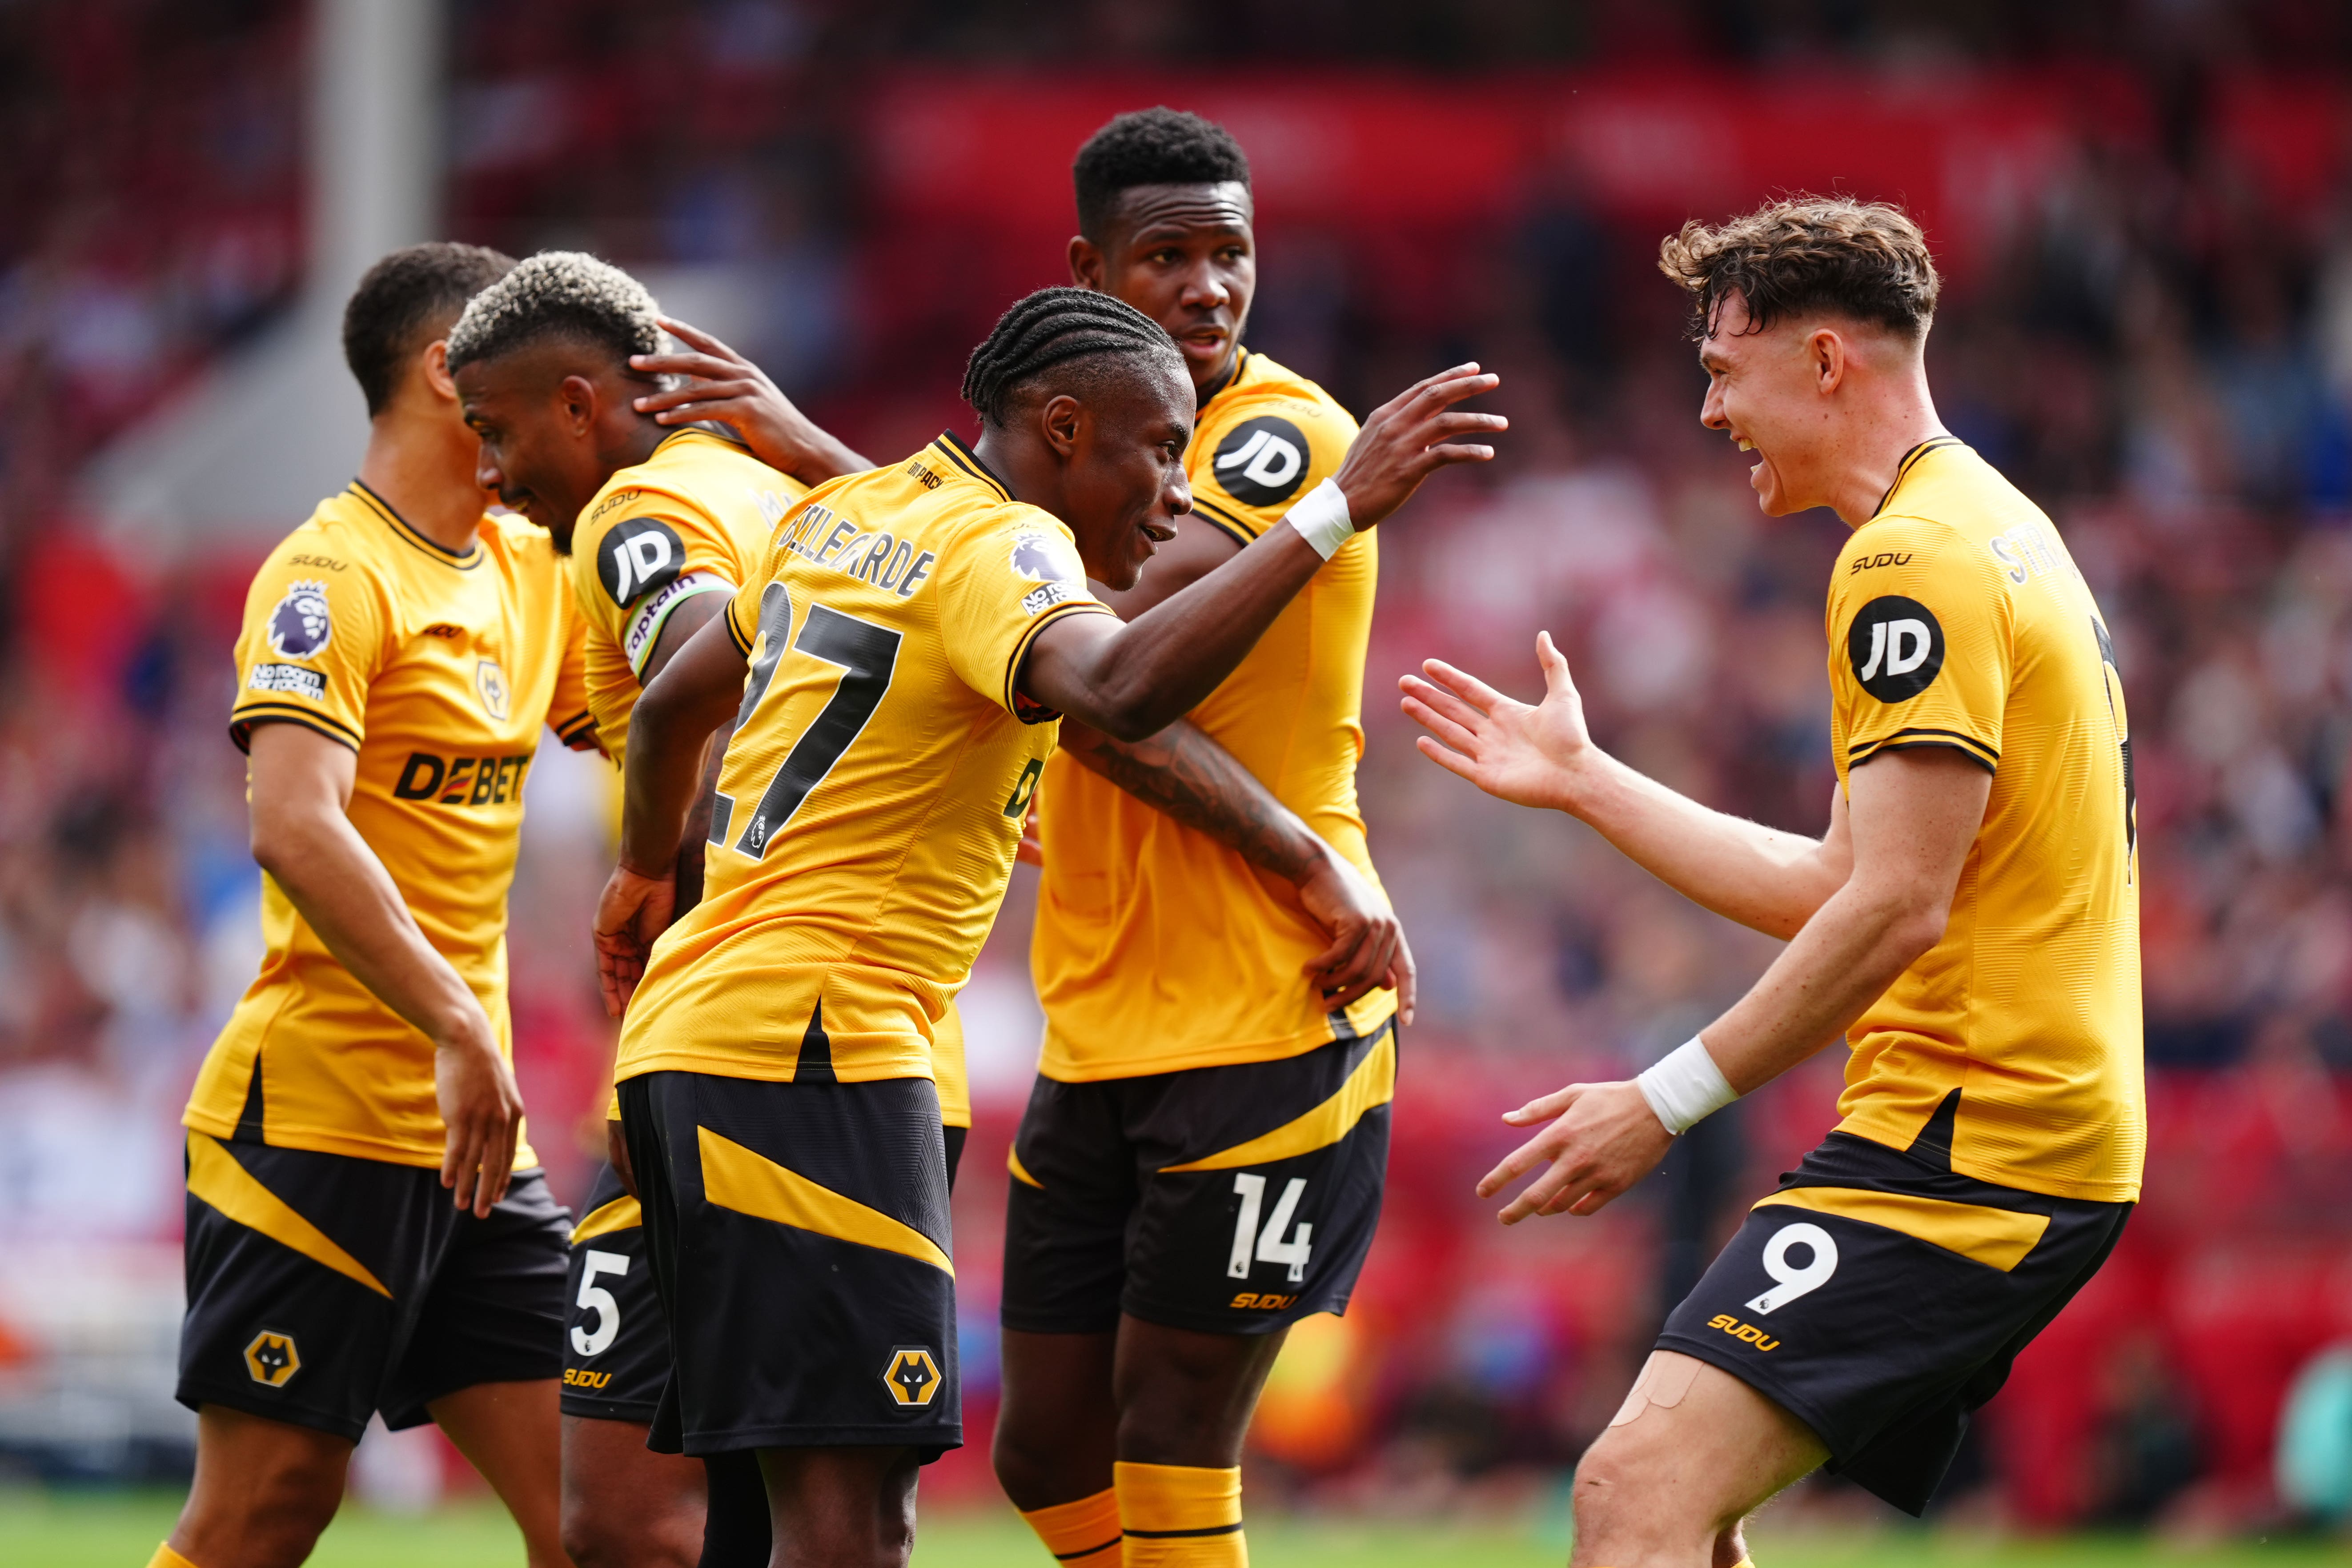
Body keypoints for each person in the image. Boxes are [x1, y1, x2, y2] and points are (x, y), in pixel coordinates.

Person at [592, 286, 1500, 1568]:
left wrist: (642, 871)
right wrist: (1335, 508)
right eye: (1160, 449)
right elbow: (1117, 690)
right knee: (848, 1535)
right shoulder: (1006, 549)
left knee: (761, 1517)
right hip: (815, 1050)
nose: (1179, 492)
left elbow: (671, 703)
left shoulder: (843, 511)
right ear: (1064, 427)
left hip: (701, 1038)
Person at [1401, 197, 2141, 1567]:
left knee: (1635, 1494)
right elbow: (1844, 881)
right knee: (1688, 1506)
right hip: (1989, 1128)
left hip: (1975, 1142)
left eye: (1720, 369)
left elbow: (1895, 910)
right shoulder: (1990, 520)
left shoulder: (1906, 561)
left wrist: (1661, 1101)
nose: (1704, 412)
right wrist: (1585, 779)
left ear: (1821, 362)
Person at [991, 109, 1412, 1568]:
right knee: (1043, 1449)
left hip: (1271, 1004)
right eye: (1164, 256)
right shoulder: (1069, 450)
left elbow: (1110, 670)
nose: (1207, 287)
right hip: (1099, 1013)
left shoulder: (1284, 432)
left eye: (1228, 253)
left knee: (1170, 1436)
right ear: (1088, 268)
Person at [160, 243, 600, 1568]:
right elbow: (293, 822)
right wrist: (465, 1022)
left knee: (609, 1519)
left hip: (478, 1148)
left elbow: (647, 735)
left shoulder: (531, 569)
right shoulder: (329, 576)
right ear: (443, 369)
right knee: (266, 1512)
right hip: (316, 1122)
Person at [448, 251, 880, 1568]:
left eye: (497, 429)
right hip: (823, 1052)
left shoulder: (648, 511)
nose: (489, 472)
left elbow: (712, 686)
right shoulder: (777, 492)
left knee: (638, 1523)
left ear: (580, 405)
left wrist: (647, 873)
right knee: (742, 1517)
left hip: (747, 1053)